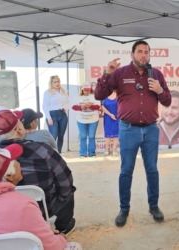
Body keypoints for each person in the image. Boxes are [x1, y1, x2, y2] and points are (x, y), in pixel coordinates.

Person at [94, 40, 171, 227]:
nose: (144, 55)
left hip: (151, 129)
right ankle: (124, 209)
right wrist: (107, 73)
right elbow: (99, 95)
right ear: (132, 54)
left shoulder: (157, 75)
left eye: (147, 52)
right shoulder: (120, 74)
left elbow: (167, 101)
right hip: (128, 129)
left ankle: (154, 206)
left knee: (152, 170)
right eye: (140, 52)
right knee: (126, 170)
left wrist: (160, 90)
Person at [0, 106, 76, 235]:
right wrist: (61, 197)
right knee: (69, 192)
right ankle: (62, 227)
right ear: (18, 128)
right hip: (42, 209)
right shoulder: (43, 150)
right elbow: (66, 180)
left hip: (0, 214)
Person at [0, 144, 82, 250]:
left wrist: (44, 233)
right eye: (16, 161)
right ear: (9, 175)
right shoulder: (23, 205)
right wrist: (60, 239)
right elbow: (53, 246)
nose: (20, 163)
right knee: (75, 247)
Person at [72, 82, 101, 158]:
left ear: (90, 89)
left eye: (88, 90)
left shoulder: (94, 96)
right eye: (85, 90)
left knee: (91, 136)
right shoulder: (78, 97)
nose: (86, 91)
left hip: (93, 120)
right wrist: (81, 107)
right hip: (81, 120)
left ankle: (92, 153)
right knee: (83, 136)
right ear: (82, 90)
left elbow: (98, 106)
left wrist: (90, 106)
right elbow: (73, 107)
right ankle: (82, 153)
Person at [43, 75, 69, 153]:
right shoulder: (48, 92)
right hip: (52, 115)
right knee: (53, 136)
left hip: (62, 115)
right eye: (55, 82)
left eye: (58, 81)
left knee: (61, 136)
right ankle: (51, 153)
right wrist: (49, 118)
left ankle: (59, 153)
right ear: (51, 83)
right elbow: (45, 105)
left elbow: (68, 102)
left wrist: (65, 108)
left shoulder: (64, 92)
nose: (57, 83)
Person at [101, 91, 119, 156]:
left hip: (117, 116)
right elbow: (102, 107)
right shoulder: (104, 95)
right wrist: (110, 114)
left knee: (116, 132)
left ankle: (114, 149)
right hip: (108, 117)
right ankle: (107, 149)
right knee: (107, 132)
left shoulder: (118, 95)